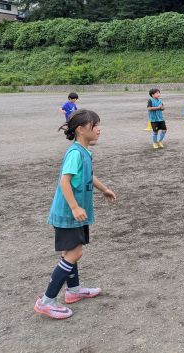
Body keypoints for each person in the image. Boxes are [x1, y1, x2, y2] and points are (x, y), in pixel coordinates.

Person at [33, 110, 116, 320]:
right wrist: (74, 207)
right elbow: (64, 180)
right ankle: (46, 301)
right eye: (94, 125)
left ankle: (73, 290)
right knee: (73, 253)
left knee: (72, 251)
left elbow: (88, 175)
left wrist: (104, 189)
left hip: (76, 212)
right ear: (81, 129)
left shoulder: (84, 151)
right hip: (69, 213)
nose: (99, 128)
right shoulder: (75, 153)